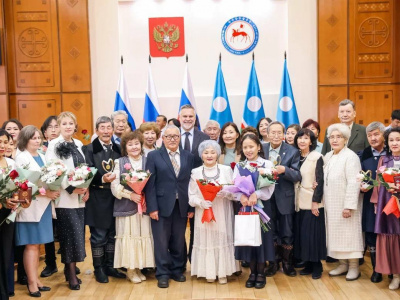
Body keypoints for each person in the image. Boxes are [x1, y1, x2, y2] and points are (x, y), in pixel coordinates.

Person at [145, 125, 194, 288]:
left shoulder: (188, 156)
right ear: (163, 138)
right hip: (160, 205)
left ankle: (177, 270)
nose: (172, 139)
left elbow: (192, 184)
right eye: (169, 136)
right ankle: (163, 273)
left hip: (182, 205)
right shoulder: (153, 156)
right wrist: (152, 208)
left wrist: (191, 207)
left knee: (179, 240)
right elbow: (150, 184)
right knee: (161, 241)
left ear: (180, 138)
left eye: (175, 136)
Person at [45, 112, 89, 290]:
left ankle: (69, 269)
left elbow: (82, 168)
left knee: (78, 236)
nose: (68, 126)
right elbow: (54, 170)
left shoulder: (78, 143)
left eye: (71, 123)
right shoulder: (54, 145)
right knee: (69, 236)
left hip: (79, 198)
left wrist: (85, 188)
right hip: (64, 198)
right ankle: (71, 275)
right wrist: (71, 188)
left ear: (75, 126)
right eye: (64, 124)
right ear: (59, 126)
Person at [14, 125, 59, 297]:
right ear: (25, 140)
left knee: (38, 244)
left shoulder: (41, 155)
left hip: (45, 205)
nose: (37, 140)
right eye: (33, 138)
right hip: (30, 207)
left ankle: (37, 279)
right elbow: (23, 184)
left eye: (39, 137)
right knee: (31, 245)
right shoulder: (21, 158)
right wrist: (45, 192)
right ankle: (31, 282)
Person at [188, 140, 239, 284]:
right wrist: (201, 202)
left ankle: (223, 272)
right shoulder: (195, 172)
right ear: (201, 155)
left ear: (217, 154)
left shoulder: (226, 170)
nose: (209, 155)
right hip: (203, 212)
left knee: (222, 238)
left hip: (222, 210)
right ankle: (208, 272)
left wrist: (226, 193)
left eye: (212, 152)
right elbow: (191, 196)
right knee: (206, 240)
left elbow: (235, 193)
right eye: (206, 152)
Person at [82, 116, 125, 283]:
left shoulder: (118, 148)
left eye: (109, 127)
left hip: (116, 197)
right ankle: (98, 268)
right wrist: (101, 179)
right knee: (99, 235)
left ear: (113, 130)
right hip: (98, 197)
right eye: (103, 128)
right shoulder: (89, 149)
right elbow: (86, 171)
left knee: (113, 234)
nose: (106, 131)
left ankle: (110, 266)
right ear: (96, 130)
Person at [111, 130, 155, 283]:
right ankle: (130, 270)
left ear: (141, 144)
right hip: (126, 206)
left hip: (143, 207)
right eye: (130, 144)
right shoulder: (120, 162)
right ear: (125, 147)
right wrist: (131, 195)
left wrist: (143, 196)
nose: (134, 147)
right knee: (130, 238)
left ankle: (138, 267)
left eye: (137, 143)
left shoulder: (148, 160)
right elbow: (114, 186)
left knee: (142, 236)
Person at [233, 134, 275, 288]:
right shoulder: (240, 166)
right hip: (246, 207)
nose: (248, 150)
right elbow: (234, 187)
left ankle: (261, 273)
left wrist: (257, 194)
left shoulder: (267, 164)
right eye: (245, 147)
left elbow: (270, 188)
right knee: (248, 238)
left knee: (262, 240)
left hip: (262, 207)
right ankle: (252, 273)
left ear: (258, 147)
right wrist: (241, 195)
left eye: (251, 146)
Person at [324, 123, 363, 281]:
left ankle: (354, 266)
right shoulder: (329, 156)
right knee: (336, 236)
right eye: (331, 137)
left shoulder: (351, 157)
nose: (334, 140)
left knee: (349, 235)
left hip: (346, 205)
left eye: (338, 137)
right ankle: (342, 264)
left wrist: (349, 206)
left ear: (346, 139)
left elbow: (354, 183)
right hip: (331, 203)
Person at [263, 121, 301, 277]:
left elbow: (297, 175)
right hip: (265, 197)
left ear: (284, 134)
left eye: (279, 132)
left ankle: (287, 263)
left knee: (286, 232)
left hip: (285, 198)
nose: (276, 135)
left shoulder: (292, 151)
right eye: (273, 132)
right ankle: (272, 263)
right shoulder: (261, 149)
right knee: (270, 232)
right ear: (267, 133)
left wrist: (284, 170)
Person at [293, 129, 326, 279]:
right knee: (303, 235)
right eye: (300, 138)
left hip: (312, 201)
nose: (302, 141)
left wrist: (315, 202)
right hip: (298, 201)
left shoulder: (317, 157)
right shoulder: (296, 156)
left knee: (313, 234)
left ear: (311, 141)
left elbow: (319, 181)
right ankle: (308, 264)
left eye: (305, 138)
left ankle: (317, 265)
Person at [179, 104, 209, 262]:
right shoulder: (172, 135)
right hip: (178, 190)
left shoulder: (204, 137)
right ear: (179, 117)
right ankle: (180, 262)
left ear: (195, 118)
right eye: (185, 116)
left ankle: (196, 261)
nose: (188, 119)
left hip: (199, 190)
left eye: (191, 116)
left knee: (197, 228)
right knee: (178, 230)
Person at [372, 127, 400, 290]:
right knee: (391, 234)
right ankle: (395, 275)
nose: (395, 143)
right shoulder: (384, 160)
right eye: (391, 140)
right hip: (388, 203)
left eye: (398, 139)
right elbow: (378, 183)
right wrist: (376, 202)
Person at [358, 122, 386, 283]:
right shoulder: (363, 155)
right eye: (369, 135)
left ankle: (391, 269)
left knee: (388, 234)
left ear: (383, 135)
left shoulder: (392, 153)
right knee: (371, 234)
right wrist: (361, 186)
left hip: (390, 201)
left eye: (376, 134)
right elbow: (360, 176)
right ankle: (376, 270)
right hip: (370, 202)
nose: (373, 138)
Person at [39, 116, 60, 278]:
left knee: (64, 229)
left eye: (56, 126)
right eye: (50, 127)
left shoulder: (64, 146)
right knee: (49, 231)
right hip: (46, 194)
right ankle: (50, 263)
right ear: (44, 132)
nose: (53, 130)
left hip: (65, 193)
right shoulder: (40, 150)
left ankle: (69, 263)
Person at [0, 129, 16, 300]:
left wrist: (21, 199)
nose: (2, 146)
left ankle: (4, 292)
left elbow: (18, 188)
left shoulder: (11, 164)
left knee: (5, 253)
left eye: (5, 142)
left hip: (9, 214)